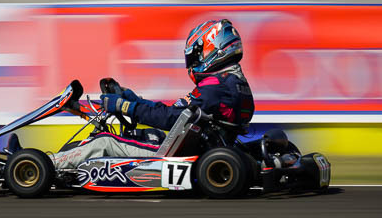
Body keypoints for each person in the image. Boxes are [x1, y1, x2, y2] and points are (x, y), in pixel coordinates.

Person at [52, 19, 255, 169]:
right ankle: (63, 160)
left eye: (196, 55)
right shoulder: (233, 83)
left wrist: (125, 107)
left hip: (185, 152)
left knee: (105, 140)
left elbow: (171, 119)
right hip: (194, 144)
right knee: (141, 134)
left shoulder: (216, 87)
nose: (193, 63)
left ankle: (46, 164)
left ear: (213, 49)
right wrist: (136, 101)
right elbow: (177, 113)